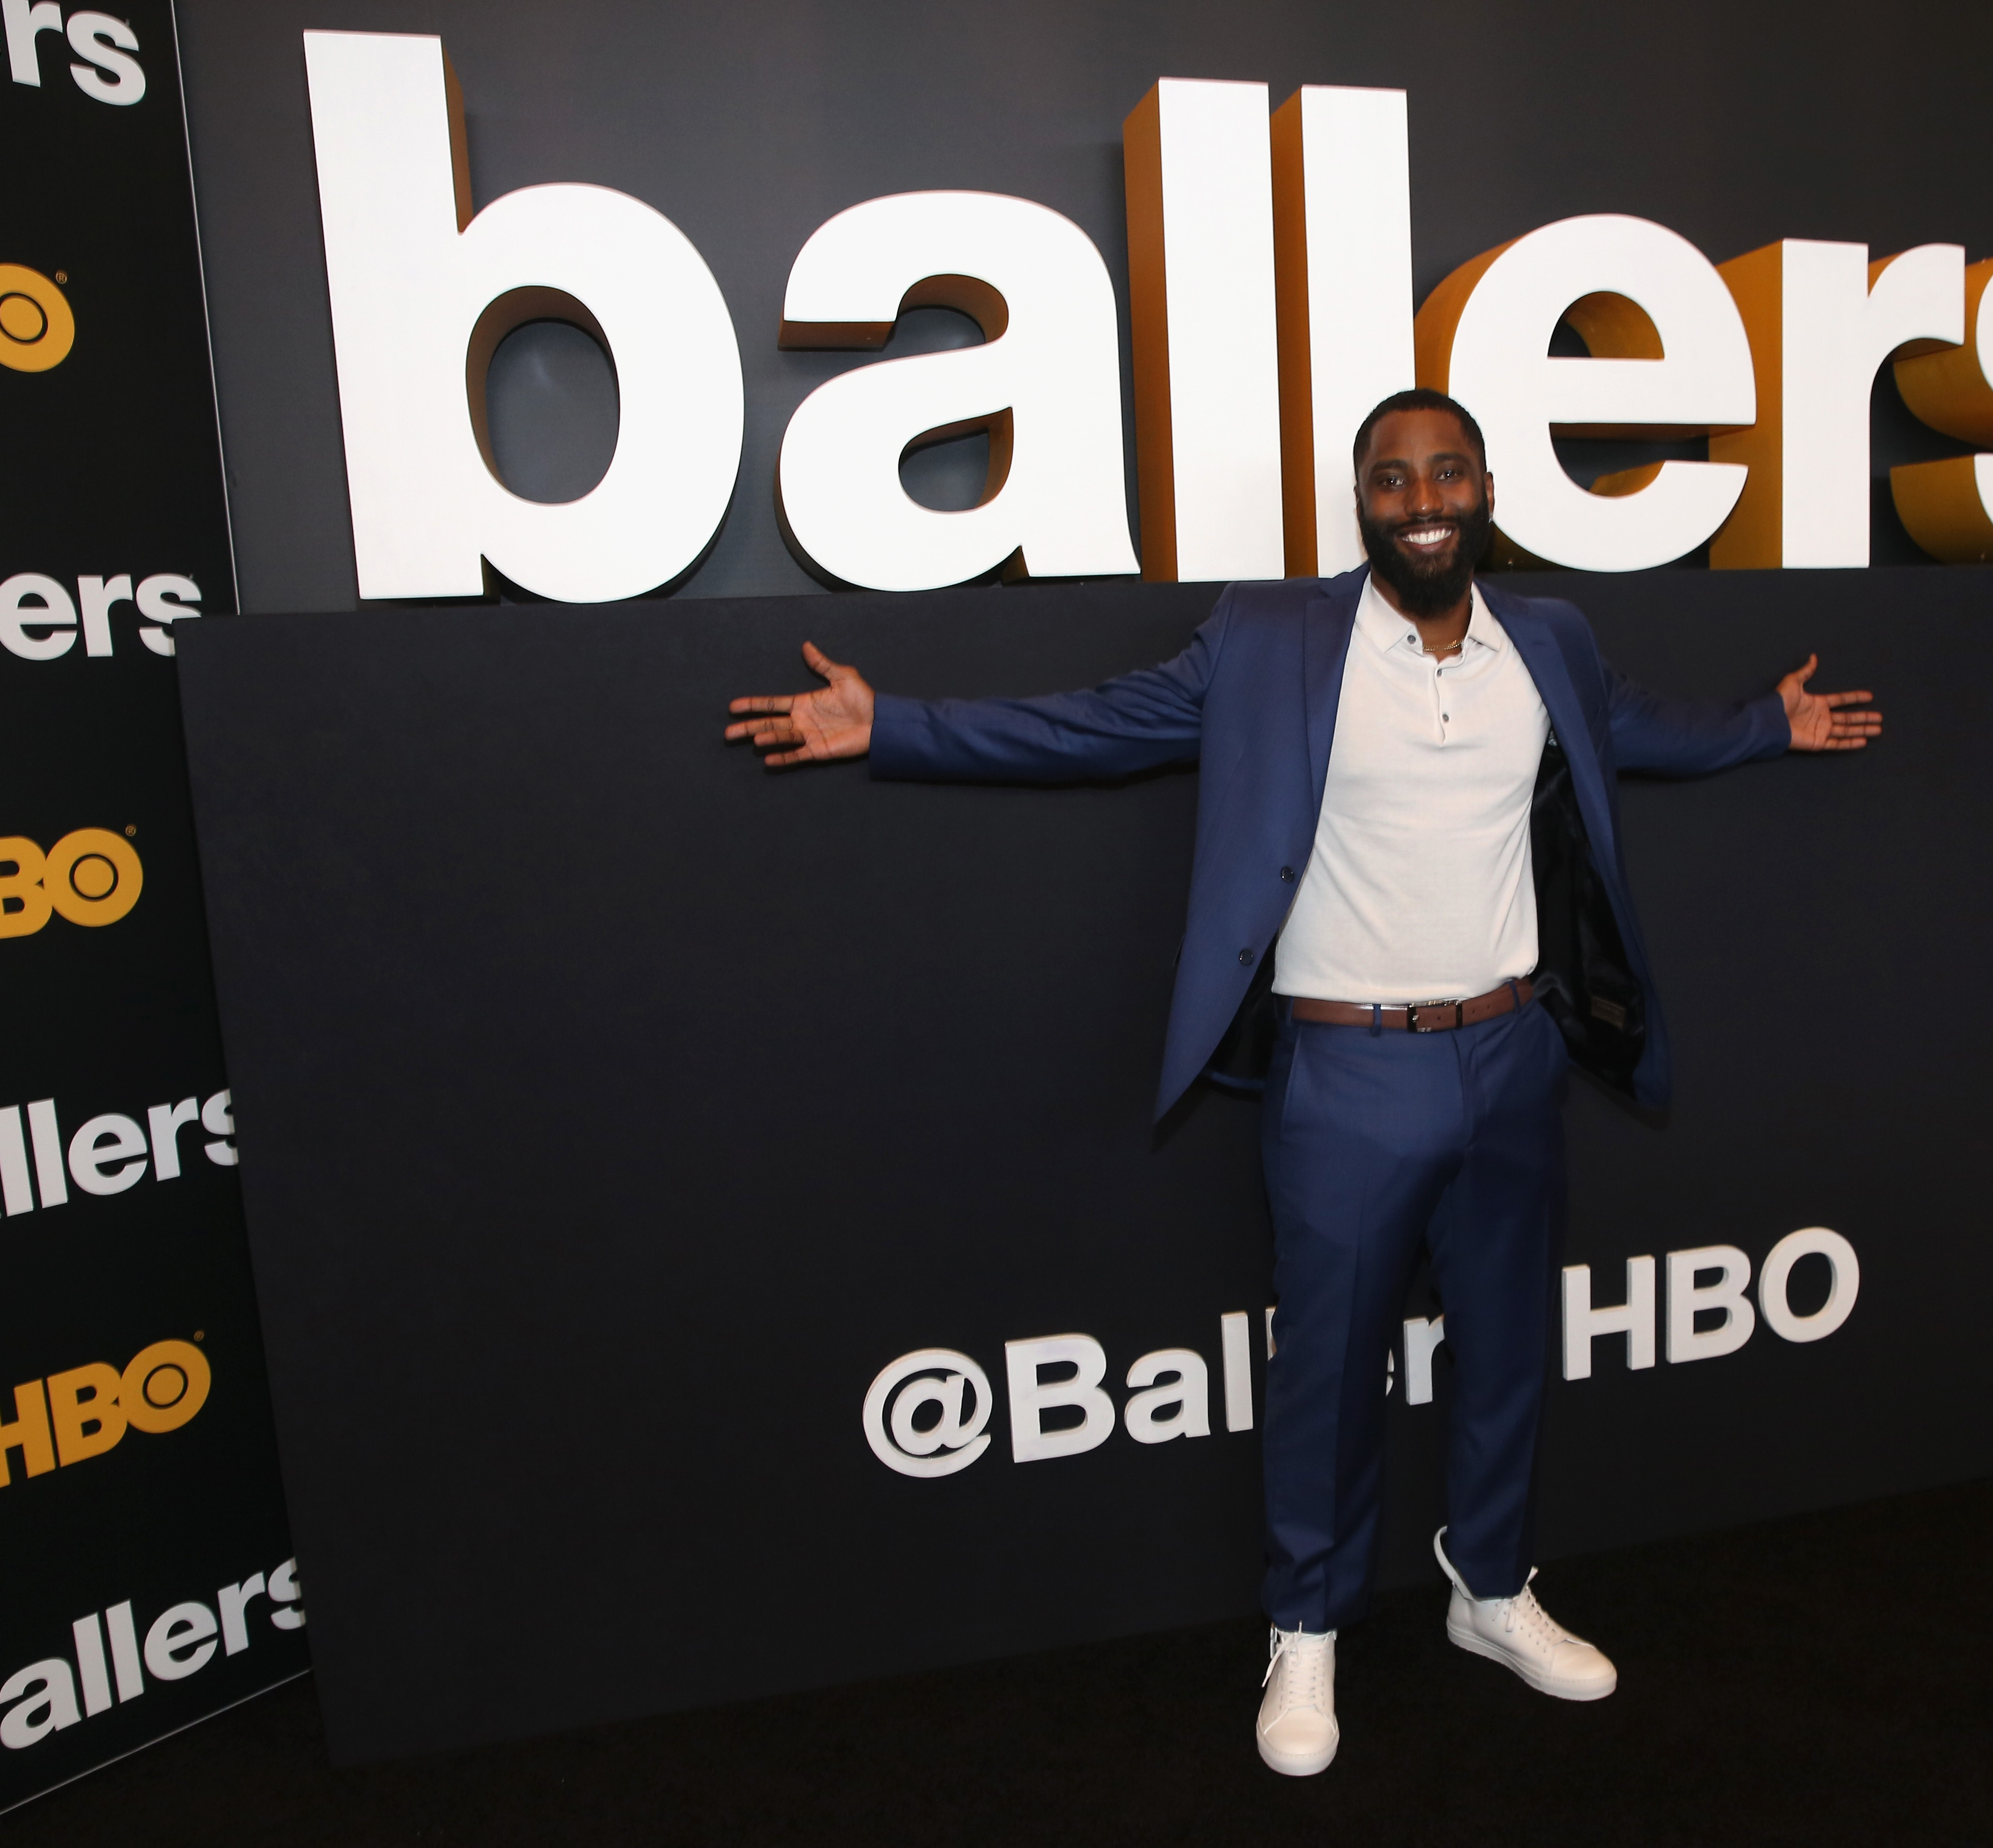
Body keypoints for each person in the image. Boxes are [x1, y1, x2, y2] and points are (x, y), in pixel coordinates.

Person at [726, 388, 1880, 1777]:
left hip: (1514, 1052)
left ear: (1486, 484)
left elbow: (1637, 727)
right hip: (1346, 1065)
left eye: (1446, 470)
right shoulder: (1272, 636)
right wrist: (892, 723)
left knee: (1508, 1342)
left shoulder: (1551, 638)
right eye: (1392, 479)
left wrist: (1766, 723)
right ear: (1361, 503)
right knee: (1327, 1370)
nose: (1423, 498)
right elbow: (1093, 724)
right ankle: (1307, 1628)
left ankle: (1492, 1589)